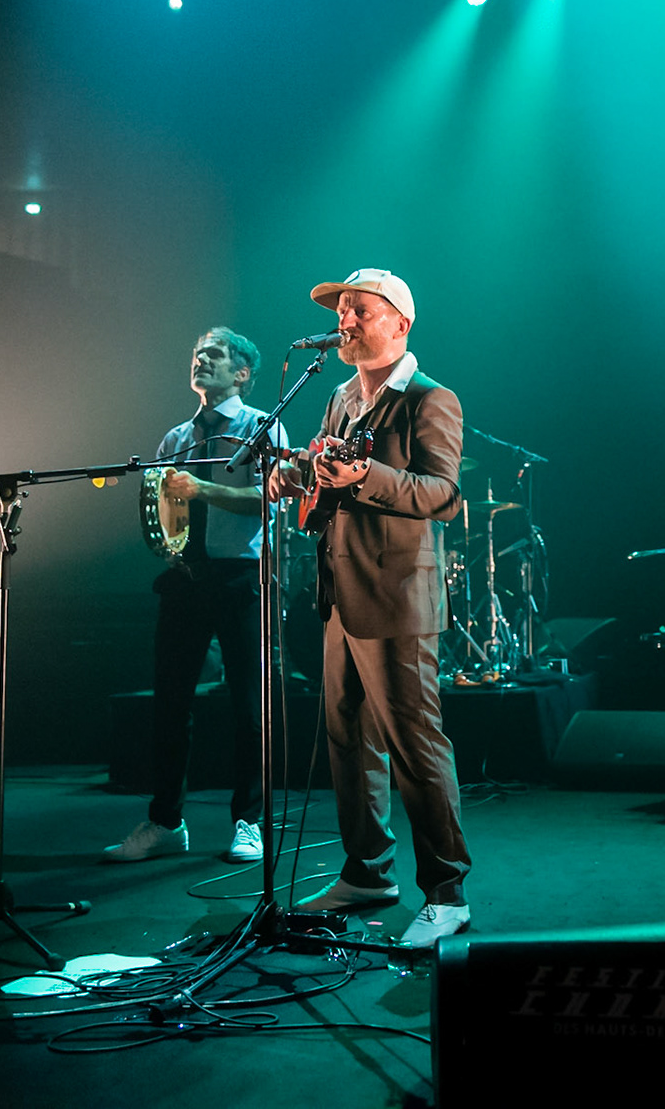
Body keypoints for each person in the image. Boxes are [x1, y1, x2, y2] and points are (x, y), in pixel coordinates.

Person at [264, 268, 472, 951]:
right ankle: (367, 871)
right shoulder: (339, 399)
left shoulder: (429, 400)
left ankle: (446, 893)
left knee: (415, 744)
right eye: (341, 311)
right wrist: (297, 472)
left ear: (400, 322)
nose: (344, 321)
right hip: (338, 591)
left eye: (358, 310)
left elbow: (443, 494)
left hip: (397, 595)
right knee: (348, 738)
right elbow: (325, 485)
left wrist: (366, 478)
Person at [105, 328, 281, 865]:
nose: (201, 360)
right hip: (185, 579)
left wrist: (202, 490)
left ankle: (249, 819)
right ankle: (166, 821)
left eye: (216, 355)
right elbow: (160, 506)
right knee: (170, 704)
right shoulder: (176, 436)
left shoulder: (260, 428)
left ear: (242, 373)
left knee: (250, 708)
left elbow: (269, 504)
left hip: (239, 578)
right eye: (197, 354)